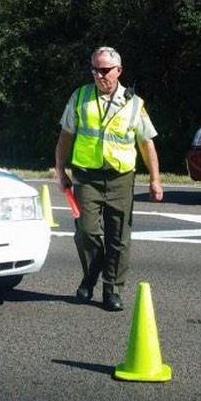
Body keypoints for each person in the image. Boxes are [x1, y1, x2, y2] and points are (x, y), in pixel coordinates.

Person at [54, 46, 164, 311]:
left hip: (121, 178)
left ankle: (111, 289)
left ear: (119, 71)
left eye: (104, 70)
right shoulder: (80, 97)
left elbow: (146, 143)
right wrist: (60, 171)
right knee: (86, 233)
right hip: (86, 177)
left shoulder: (134, 104)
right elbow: (66, 136)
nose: (99, 75)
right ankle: (91, 274)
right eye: (94, 70)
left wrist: (155, 180)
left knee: (119, 237)